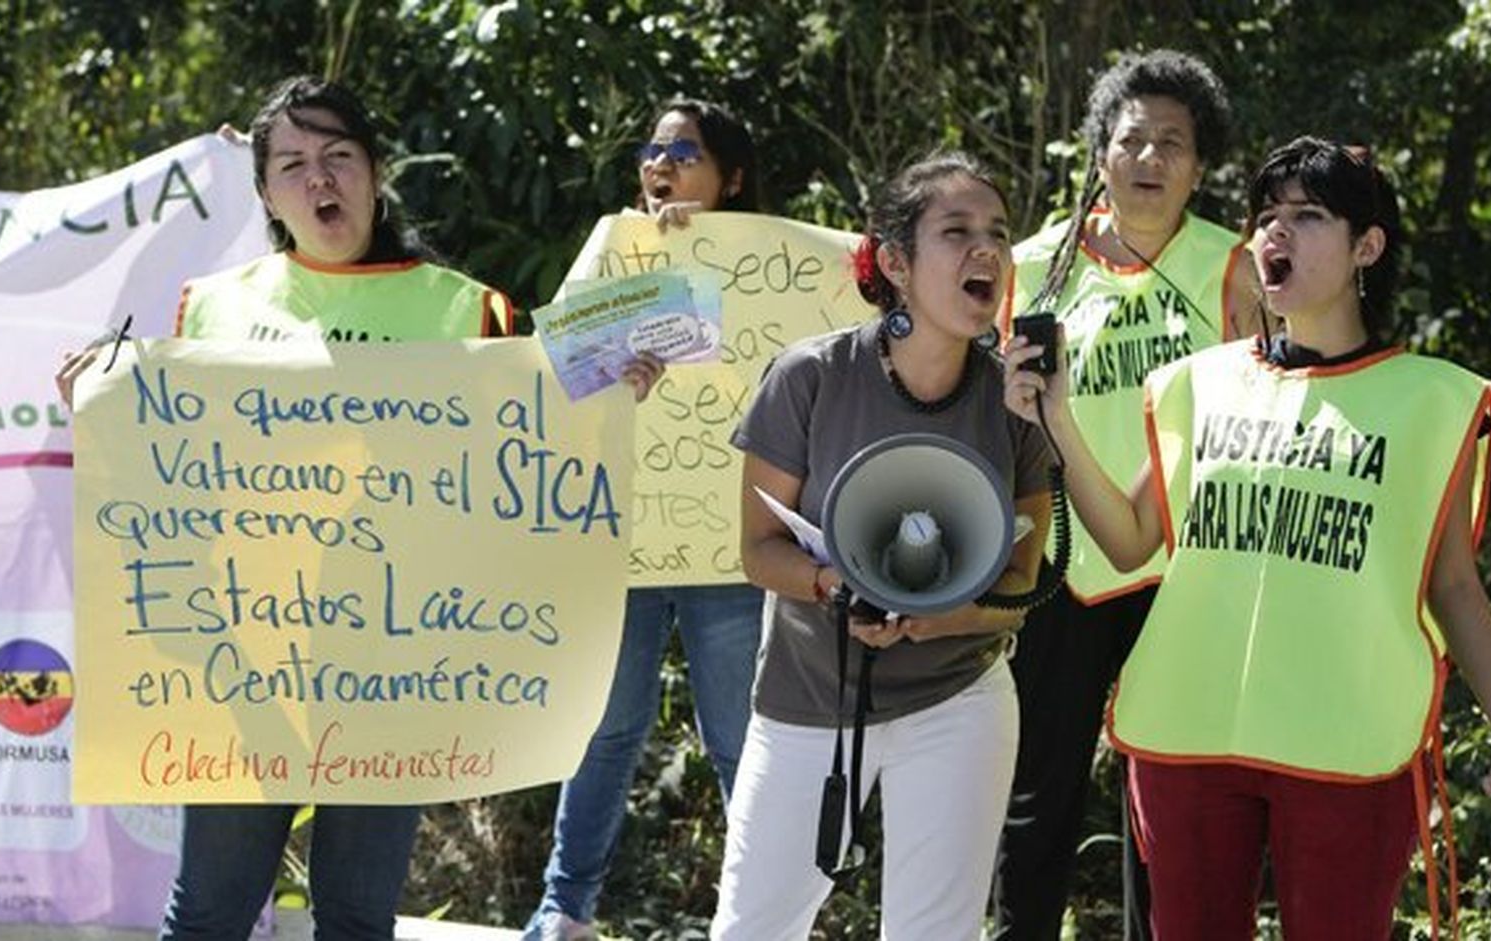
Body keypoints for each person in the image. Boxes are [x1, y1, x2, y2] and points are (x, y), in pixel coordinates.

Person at [57, 75, 660, 940]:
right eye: (294, 164)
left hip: (397, 666)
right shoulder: (211, 304)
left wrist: (613, 382)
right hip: (244, 661)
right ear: (266, 192)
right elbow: (164, 455)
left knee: (354, 919)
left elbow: (529, 442)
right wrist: (98, 390)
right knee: (208, 915)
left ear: (377, 171)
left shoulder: (463, 306)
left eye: (339, 156)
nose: (320, 180)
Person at [1004, 136, 1491, 940]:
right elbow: (1132, 541)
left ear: (1366, 246)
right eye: (1267, 217)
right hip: (1190, 733)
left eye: (1307, 216)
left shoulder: (1429, 401)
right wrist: (1055, 417)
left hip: (1348, 738)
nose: (1276, 233)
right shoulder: (1198, 382)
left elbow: (1452, 585)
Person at [710, 151, 1052, 940]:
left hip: (958, 699)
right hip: (810, 696)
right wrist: (837, 585)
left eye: (998, 234)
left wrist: (937, 617)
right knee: (752, 926)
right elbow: (759, 549)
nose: (987, 253)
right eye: (957, 232)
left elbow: (1021, 579)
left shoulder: (1014, 405)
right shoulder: (809, 377)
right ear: (895, 262)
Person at [991, 49, 1265, 940]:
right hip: (1062, 563)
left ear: (1200, 163)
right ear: (1099, 153)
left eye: (1172, 143)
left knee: (1172, 803)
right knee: (1039, 795)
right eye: (1131, 139)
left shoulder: (1241, 269)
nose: (1149, 159)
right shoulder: (1036, 267)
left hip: (1189, 575)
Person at [522, 97, 764, 941]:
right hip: (620, 536)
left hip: (725, 544)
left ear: (730, 179)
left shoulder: (769, 263)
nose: (661, 165)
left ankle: (761, 917)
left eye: (686, 151)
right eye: (652, 150)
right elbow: (553, 362)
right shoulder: (612, 243)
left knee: (742, 743)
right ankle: (565, 908)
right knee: (605, 732)